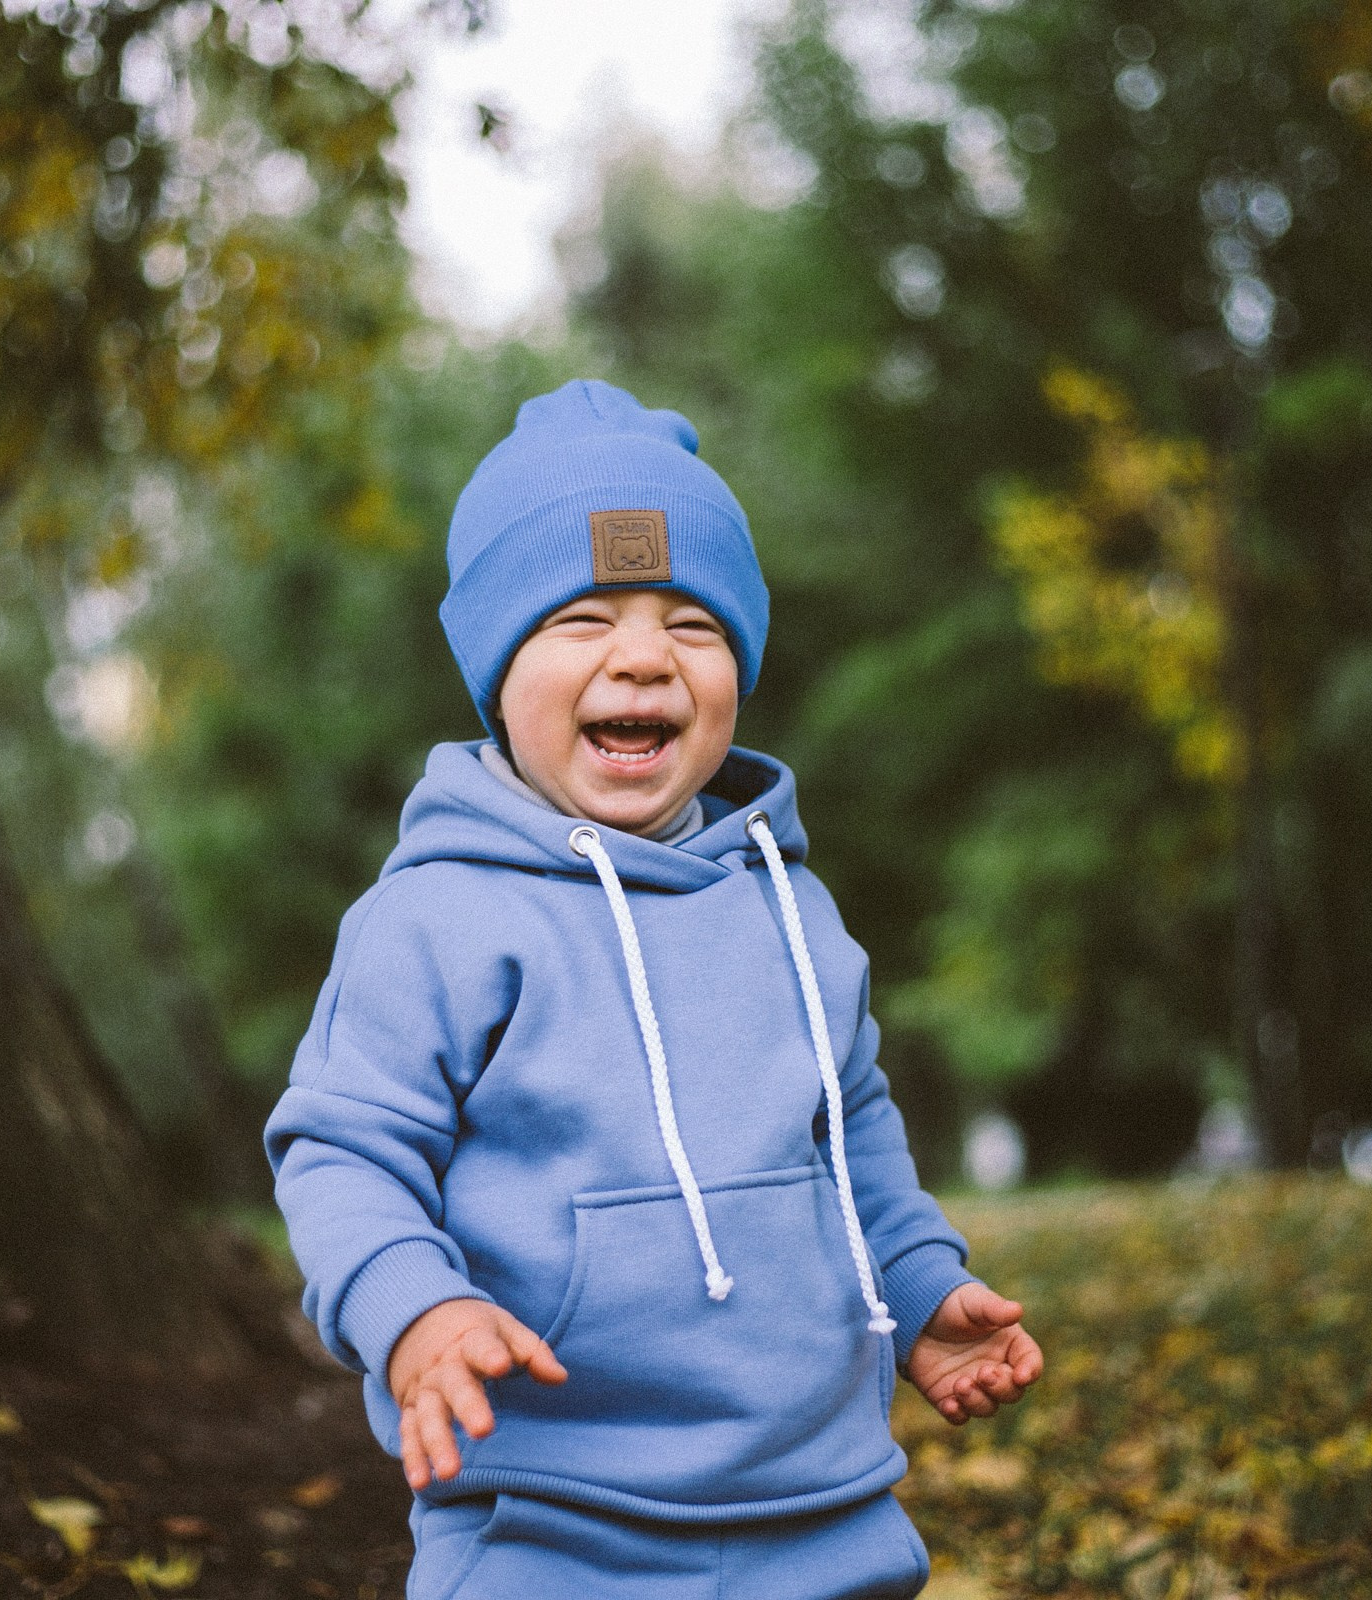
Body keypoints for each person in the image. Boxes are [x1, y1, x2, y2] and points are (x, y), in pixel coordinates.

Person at [266, 380, 1042, 1599]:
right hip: (551, 1526)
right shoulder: (435, 917)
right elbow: (341, 1152)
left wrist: (922, 1282)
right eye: (581, 619)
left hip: (825, 1511)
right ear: (496, 668)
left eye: (692, 624)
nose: (642, 657)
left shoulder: (793, 907)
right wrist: (414, 1314)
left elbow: (854, 1137)